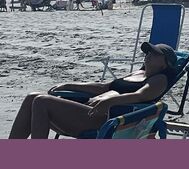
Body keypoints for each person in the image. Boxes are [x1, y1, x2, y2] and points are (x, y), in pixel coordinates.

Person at [9, 43, 177, 139]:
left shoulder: (159, 79)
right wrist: (69, 85)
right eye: (148, 52)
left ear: (165, 63)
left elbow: (140, 96)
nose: (148, 54)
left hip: (107, 120)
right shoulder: (138, 72)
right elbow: (104, 87)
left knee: (41, 102)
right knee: (32, 97)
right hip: (90, 110)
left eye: (155, 54)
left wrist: (109, 101)